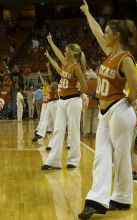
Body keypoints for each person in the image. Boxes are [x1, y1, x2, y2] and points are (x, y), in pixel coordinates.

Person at [78, 1, 137, 219]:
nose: (103, 35)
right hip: (105, 114)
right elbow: (95, 31)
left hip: (119, 111)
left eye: (107, 32)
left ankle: (122, 198)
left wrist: (125, 106)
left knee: (121, 157)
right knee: (101, 156)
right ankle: (98, 199)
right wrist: (87, 13)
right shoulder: (110, 53)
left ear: (116, 35)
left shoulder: (125, 58)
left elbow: (135, 92)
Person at [41, 33, 87, 170]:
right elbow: (58, 53)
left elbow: (84, 86)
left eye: (67, 51)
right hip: (62, 101)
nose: (64, 52)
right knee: (58, 129)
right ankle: (54, 161)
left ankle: (74, 160)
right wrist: (50, 41)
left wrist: (78, 95)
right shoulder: (66, 64)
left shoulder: (76, 67)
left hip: (73, 101)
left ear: (72, 53)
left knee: (73, 130)